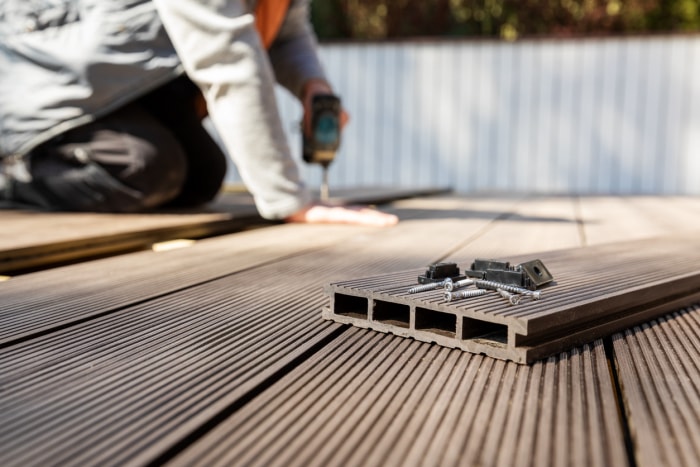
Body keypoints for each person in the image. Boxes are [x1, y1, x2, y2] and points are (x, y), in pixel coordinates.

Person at [0, 0, 398, 227]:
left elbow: (289, 29)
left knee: (201, 176)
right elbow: (226, 56)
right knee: (145, 167)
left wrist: (314, 86)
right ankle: (10, 174)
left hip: (125, 88)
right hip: (42, 89)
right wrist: (292, 201)